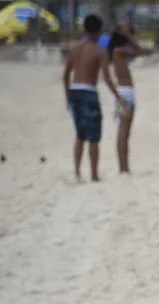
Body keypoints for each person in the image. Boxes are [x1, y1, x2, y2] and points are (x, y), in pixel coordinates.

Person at [63, 15, 128, 183]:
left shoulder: (75, 49)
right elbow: (107, 78)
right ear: (99, 31)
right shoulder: (100, 51)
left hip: (75, 91)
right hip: (89, 92)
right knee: (94, 137)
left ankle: (77, 172)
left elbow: (65, 75)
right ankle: (93, 174)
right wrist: (119, 98)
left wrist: (67, 96)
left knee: (79, 135)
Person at [108, 27, 141, 175]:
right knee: (122, 130)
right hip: (124, 93)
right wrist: (129, 36)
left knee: (125, 131)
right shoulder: (118, 51)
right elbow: (140, 50)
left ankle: (125, 166)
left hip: (126, 92)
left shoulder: (118, 52)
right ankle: (122, 167)